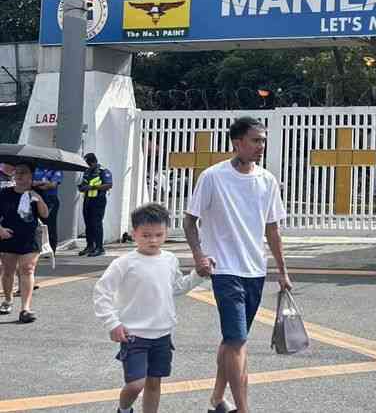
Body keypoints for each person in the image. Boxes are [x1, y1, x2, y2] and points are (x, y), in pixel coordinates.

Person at [183, 117, 292, 413]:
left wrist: (282, 271)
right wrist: (198, 256)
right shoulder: (213, 177)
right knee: (238, 341)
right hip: (224, 269)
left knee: (232, 342)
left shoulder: (267, 180)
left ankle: (217, 399)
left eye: (263, 140)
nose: (261, 146)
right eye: (256, 140)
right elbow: (190, 221)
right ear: (237, 142)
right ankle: (242, 409)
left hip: (255, 271)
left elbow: (273, 230)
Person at [93, 203, 206, 413]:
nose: (153, 240)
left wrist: (198, 275)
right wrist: (112, 323)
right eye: (146, 235)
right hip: (133, 334)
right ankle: (124, 409)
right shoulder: (124, 263)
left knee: (154, 383)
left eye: (158, 234)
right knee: (136, 384)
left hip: (163, 334)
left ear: (166, 233)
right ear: (134, 233)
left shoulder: (170, 260)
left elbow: (176, 288)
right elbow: (102, 292)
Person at [0, 162, 48, 323]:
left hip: (30, 236)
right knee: (8, 271)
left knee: (27, 269)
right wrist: (0, 230)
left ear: (31, 176)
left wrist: (39, 199)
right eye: (17, 172)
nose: (19, 175)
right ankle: (7, 300)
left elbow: (45, 214)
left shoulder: (37, 193)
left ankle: (25, 309)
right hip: (9, 236)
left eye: (24, 172)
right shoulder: (5, 193)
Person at [79, 153, 114, 257]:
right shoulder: (87, 171)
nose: (88, 166)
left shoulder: (103, 171)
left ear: (94, 162)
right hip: (87, 200)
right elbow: (83, 184)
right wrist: (81, 187)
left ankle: (99, 248)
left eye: (89, 163)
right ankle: (90, 246)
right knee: (88, 224)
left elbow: (109, 185)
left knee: (96, 224)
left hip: (98, 200)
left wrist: (92, 188)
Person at [31, 166, 62, 253]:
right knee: (36, 225)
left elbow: (52, 185)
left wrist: (37, 184)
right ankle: (37, 248)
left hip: (50, 199)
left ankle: (51, 249)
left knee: (50, 226)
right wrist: (44, 182)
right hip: (37, 198)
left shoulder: (55, 169)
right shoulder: (36, 168)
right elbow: (31, 183)